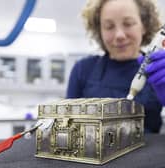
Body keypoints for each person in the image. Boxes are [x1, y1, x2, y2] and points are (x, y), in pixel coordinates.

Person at [66, 0, 165, 133]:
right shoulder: (83, 69)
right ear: (99, 31)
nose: (119, 35)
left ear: (144, 26)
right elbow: (67, 126)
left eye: (128, 24)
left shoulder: (158, 68)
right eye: (109, 26)